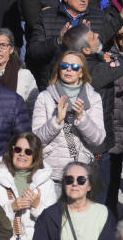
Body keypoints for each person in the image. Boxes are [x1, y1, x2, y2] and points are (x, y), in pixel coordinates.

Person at [32, 162, 119, 240]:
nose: (74, 183)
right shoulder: (50, 215)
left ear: (89, 186)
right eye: (69, 179)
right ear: (64, 184)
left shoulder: (104, 213)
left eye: (81, 180)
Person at [0, 133, 56, 240]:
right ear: (12, 150)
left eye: (28, 151)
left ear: (35, 155)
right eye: (18, 149)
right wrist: (11, 207)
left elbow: (52, 223)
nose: (22, 154)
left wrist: (37, 206)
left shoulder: (47, 183)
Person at [32, 51, 106, 182]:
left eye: (75, 67)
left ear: (81, 72)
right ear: (58, 69)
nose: (69, 69)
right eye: (64, 65)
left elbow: (98, 140)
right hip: (50, 173)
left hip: (80, 173)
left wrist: (82, 118)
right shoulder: (45, 97)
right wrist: (56, 121)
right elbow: (35, 141)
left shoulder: (93, 98)